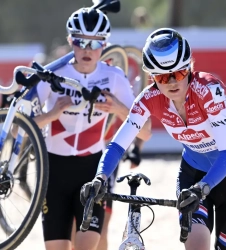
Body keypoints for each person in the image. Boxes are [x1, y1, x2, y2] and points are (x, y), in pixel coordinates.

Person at [80, 28, 226, 250]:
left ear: (190, 67)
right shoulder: (149, 99)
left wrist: (202, 188)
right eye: (162, 77)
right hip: (194, 174)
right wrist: (100, 178)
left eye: (179, 73)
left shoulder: (210, 91)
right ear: (152, 77)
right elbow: (117, 145)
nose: (172, 82)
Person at [31, 7, 151, 250]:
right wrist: (51, 114)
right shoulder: (53, 74)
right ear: (70, 41)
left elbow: (145, 130)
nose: (87, 49)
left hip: (92, 170)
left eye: (95, 44)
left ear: (105, 45)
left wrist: (118, 108)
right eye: (80, 41)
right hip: (53, 170)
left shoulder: (114, 76)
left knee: (88, 246)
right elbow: (19, 129)